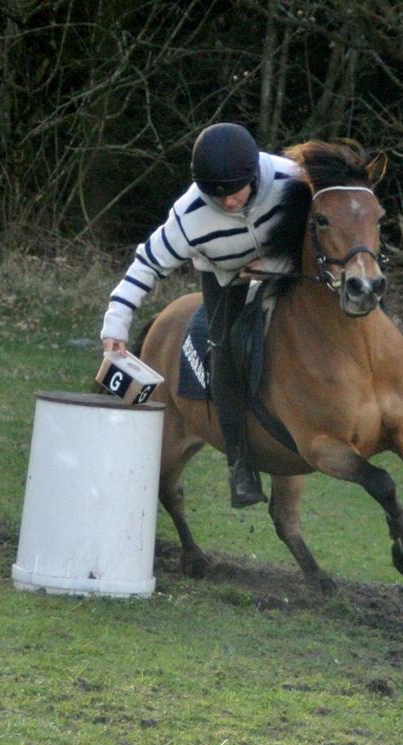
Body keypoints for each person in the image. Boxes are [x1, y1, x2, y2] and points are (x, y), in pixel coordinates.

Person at [101, 123, 305, 508]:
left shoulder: (290, 178)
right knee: (223, 351)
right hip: (226, 278)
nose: (229, 203)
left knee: (354, 284)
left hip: (289, 266)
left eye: (236, 190)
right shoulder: (188, 216)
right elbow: (145, 265)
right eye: (217, 194)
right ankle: (242, 466)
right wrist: (116, 326)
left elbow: (330, 225)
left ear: (253, 175)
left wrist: (277, 263)